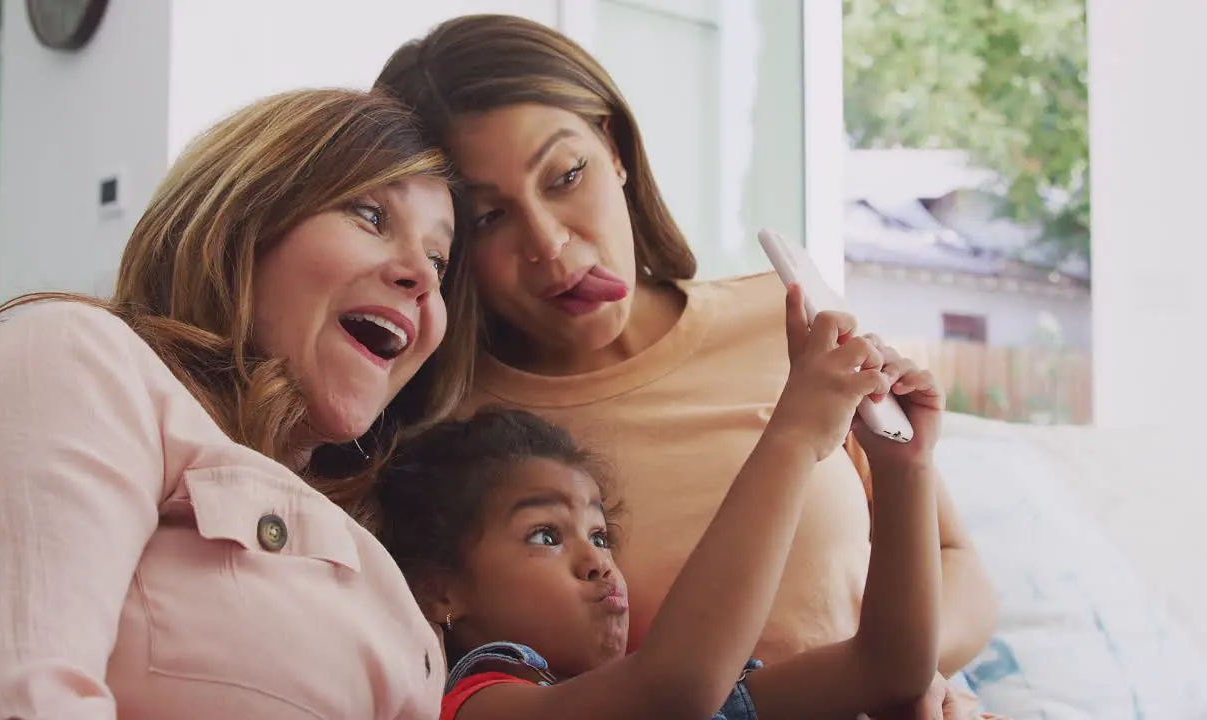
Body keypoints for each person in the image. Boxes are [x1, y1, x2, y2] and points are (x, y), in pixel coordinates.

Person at [375, 13, 998, 717]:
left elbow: (949, 574)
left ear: (614, 150)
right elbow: (673, 688)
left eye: (566, 175)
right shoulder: (448, 444)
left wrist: (923, 680)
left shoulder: (786, 321)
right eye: (489, 217)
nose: (548, 244)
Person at [0, 89, 468, 719]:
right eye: (372, 216)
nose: (424, 279)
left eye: (439, 260)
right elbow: (5, 699)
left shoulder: (373, 541)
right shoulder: (79, 356)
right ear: (244, 220)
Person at [376, 290, 947, 720]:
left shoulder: (678, 684)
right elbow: (676, 686)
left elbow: (889, 668)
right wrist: (792, 436)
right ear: (440, 589)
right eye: (545, 535)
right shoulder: (479, 705)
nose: (597, 561)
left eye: (599, 536)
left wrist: (904, 467)